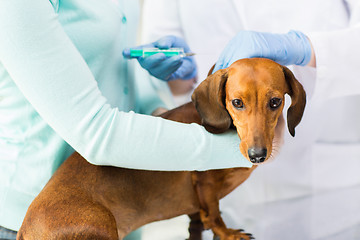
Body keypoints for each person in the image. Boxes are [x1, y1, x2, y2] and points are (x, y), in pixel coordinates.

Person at [0, 1, 255, 239]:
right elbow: (96, 133)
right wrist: (250, 147)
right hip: (41, 221)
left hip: (118, 204)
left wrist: (157, 102)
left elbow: (121, 68)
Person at [140, 0, 360, 239]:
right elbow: (162, 84)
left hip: (329, 194)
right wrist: (179, 73)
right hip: (228, 190)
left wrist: (306, 48)